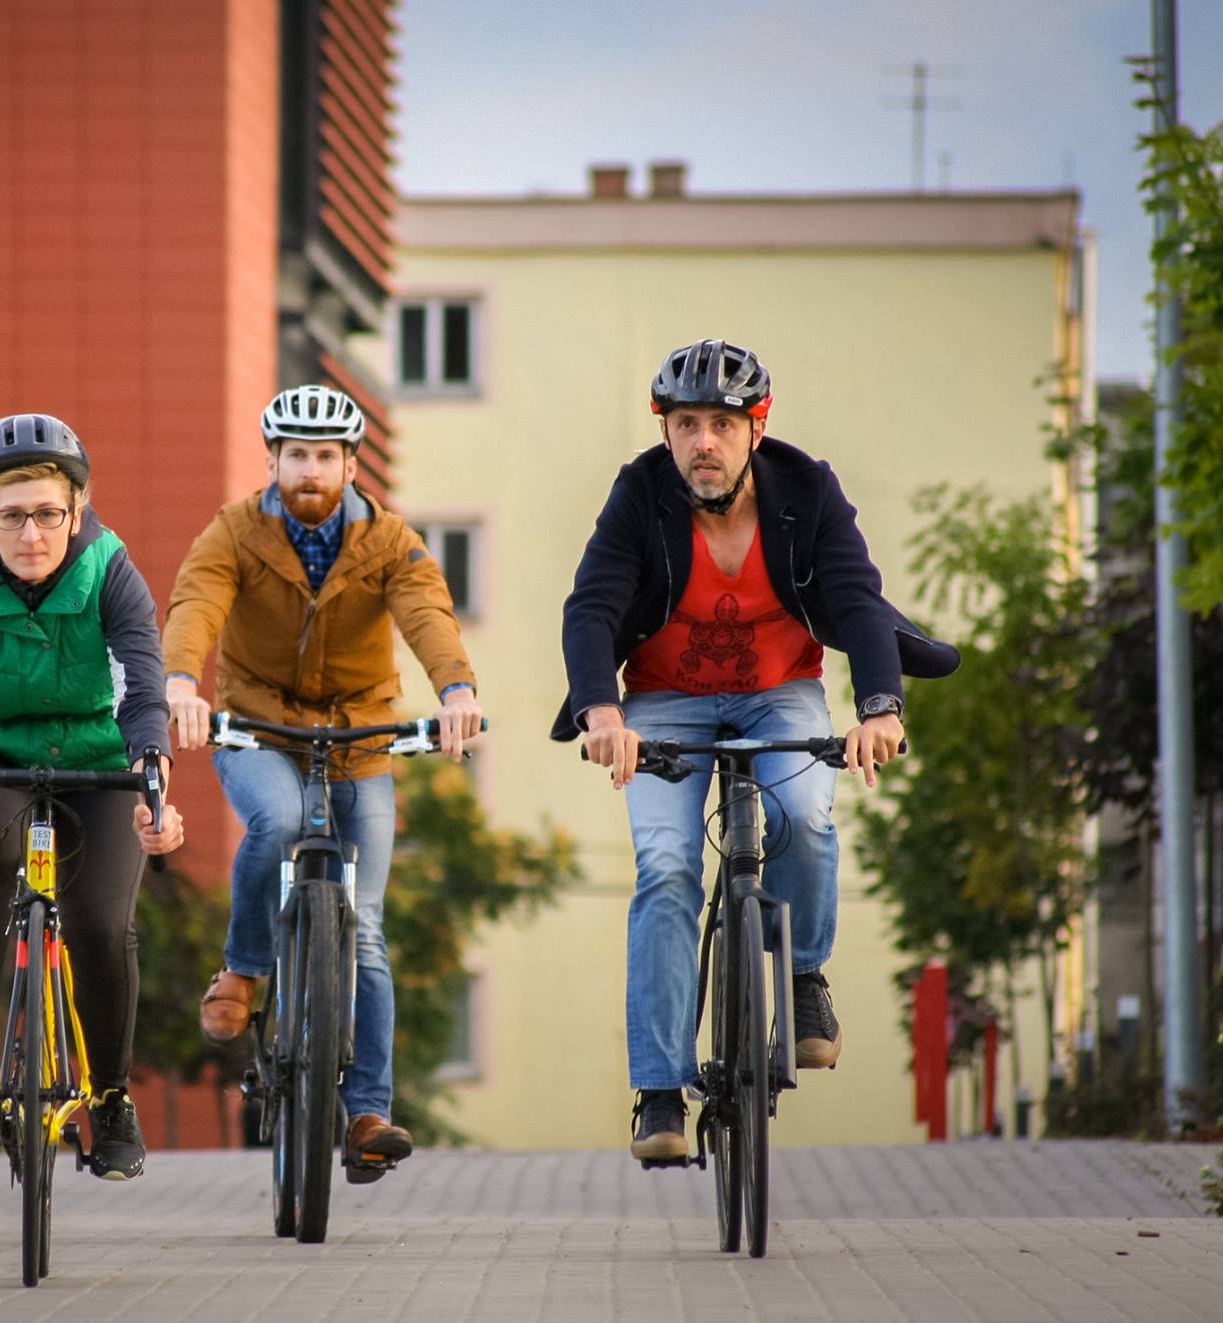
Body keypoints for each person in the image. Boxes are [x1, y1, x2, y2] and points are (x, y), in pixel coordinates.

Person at [555, 340, 959, 1162]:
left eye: (724, 424)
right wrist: (603, 709)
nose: (705, 440)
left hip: (781, 688)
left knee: (805, 814)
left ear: (756, 427)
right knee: (667, 867)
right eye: (687, 423)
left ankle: (805, 979)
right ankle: (661, 1092)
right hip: (664, 700)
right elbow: (592, 604)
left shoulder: (806, 488)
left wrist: (880, 705)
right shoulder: (639, 493)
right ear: (664, 430)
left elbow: (856, 594)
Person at [162, 384, 484, 1180]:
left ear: (349, 464)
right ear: (272, 460)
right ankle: (244, 967)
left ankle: (369, 1109)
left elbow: (428, 613)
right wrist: (178, 683)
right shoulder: (234, 530)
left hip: (359, 735)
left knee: (365, 927)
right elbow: (196, 599)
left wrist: (456, 691)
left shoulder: (388, 540)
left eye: (326, 457)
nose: (311, 469)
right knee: (273, 823)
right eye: (296, 455)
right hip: (258, 724)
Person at [0, 413, 184, 1181]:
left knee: (98, 926)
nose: (30, 533)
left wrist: (153, 776)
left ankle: (113, 1099)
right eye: (12, 515)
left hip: (98, 760)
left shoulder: (111, 571)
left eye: (47, 513)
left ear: (76, 512)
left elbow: (141, 686)